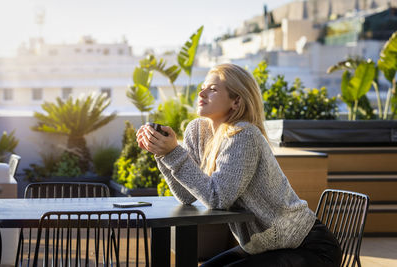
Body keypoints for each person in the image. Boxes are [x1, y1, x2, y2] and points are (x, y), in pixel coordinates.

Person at [136, 63, 342, 267]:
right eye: (203, 86)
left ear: (236, 101)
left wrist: (174, 153)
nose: (202, 93)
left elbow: (217, 198)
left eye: (213, 89)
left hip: (309, 248)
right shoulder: (197, 131)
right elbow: (187, 196)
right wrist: (163, 154)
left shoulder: (244, 134)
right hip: (263, 247)